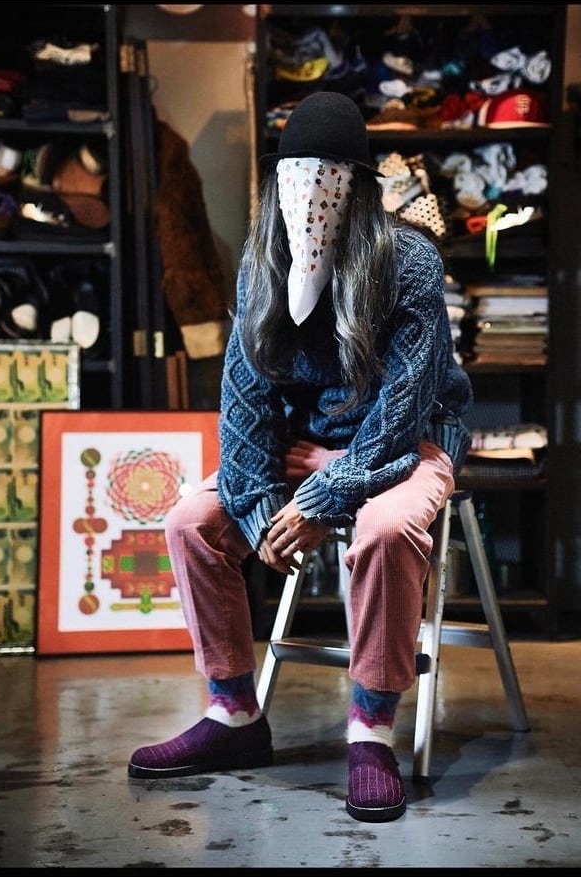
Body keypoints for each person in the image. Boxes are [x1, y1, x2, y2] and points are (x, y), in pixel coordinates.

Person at [128, 91, 473, 824]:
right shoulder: (262, 266)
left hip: (409, 438)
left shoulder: (409, 262)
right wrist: (259, 509)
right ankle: (233, 712)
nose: (310, 203)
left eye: (328, 184)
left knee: (385, 528)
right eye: (295, 183)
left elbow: (404, 410)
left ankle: (371, 727)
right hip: (308, 439)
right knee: (191, 521)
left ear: (359, 189)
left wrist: (325, 496)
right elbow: (245, 400)